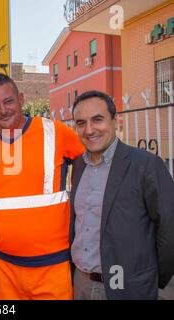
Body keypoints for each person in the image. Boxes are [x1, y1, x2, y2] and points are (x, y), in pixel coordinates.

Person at [0, 74, 85, 300]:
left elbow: (94, 166)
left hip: (52, 267)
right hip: (3, 267)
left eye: (8, 101)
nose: (3, 110)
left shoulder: (56, 132)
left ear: (21, 99)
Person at [70, 90, 174, 300]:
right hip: (80, 282)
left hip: (127, 285)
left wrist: (150, 278)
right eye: (81, 123)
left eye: (97, 120)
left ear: (116, 121)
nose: (89, 130)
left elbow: (169, 229)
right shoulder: (79, 165)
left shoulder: (146, 165)